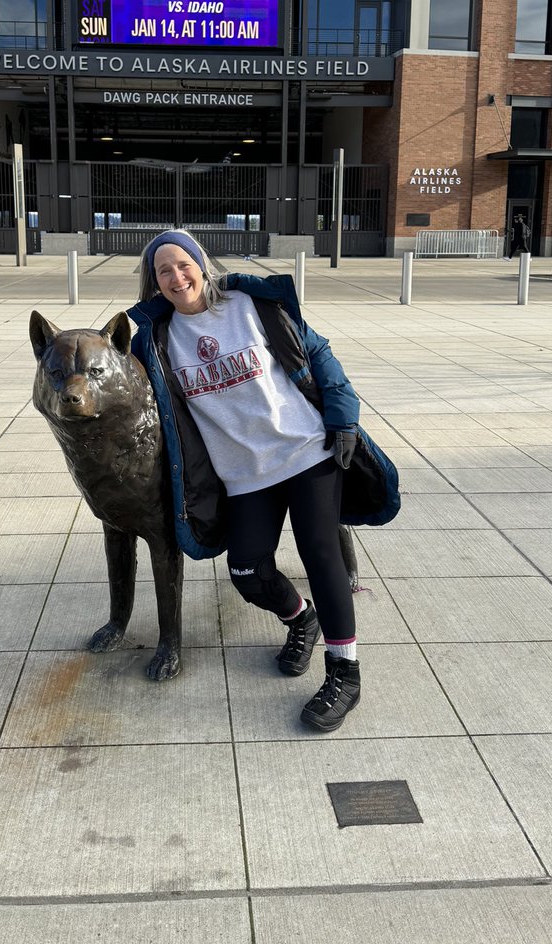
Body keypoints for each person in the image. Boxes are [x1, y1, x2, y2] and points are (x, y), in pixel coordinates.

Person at [128, 229, 366, 732]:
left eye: (183, 264)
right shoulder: (156, 339)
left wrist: (344, 419)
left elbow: (317, 354)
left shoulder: (248, 303)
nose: (177, 277)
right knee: (245, 570)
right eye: (163, 271)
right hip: (242, 473)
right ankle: (300, 617)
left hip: (303, 449)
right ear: (153, 282)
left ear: (201, 264)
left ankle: (344, 673)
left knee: (320, 554)